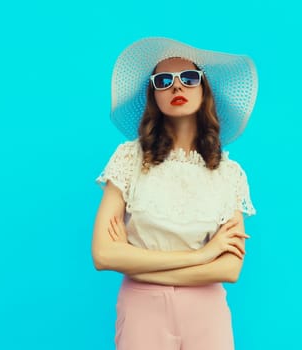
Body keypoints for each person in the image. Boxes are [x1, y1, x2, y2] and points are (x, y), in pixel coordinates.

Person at [92, 37, 258, 350]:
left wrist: (135, 261)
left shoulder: (229, 173)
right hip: (141, 310)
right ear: (153, 95)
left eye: (189, 78)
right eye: (164, 81)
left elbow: (230, 269)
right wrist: (202, 255)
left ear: (204, 89)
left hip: (207, 312)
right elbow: (103, 255)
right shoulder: (129, 159)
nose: (177, 87)